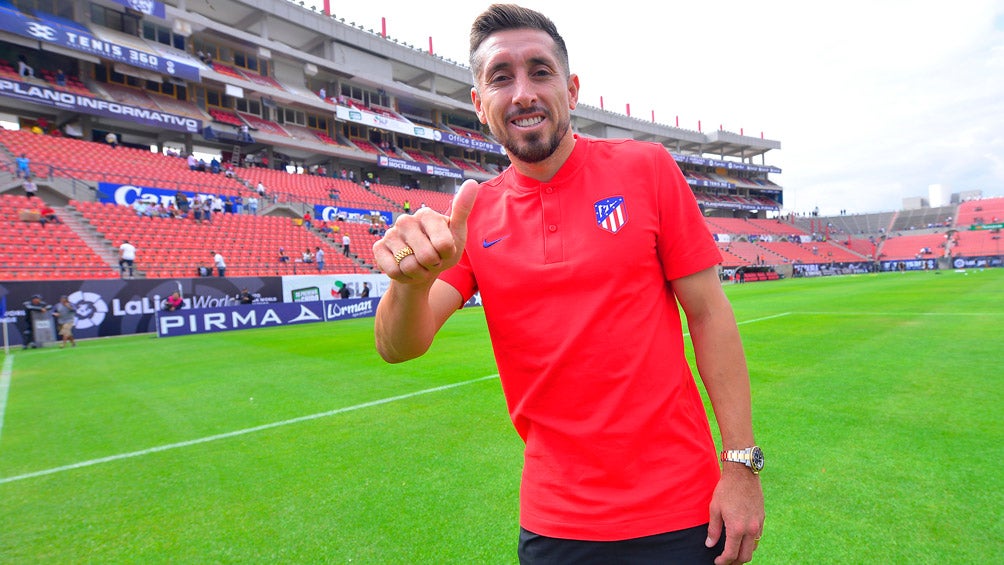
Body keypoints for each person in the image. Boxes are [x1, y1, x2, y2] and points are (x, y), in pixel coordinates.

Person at [371, 5, 764, 564]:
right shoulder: (473, 217)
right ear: (479, 105)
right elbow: (396, 347)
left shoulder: (647, 169)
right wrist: (411, 282)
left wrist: (740, 465)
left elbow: (708, 314)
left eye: (540, 71)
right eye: (500, 78)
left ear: (571, 89)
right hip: (555, 525)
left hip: (682, 511)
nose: (523, 92)